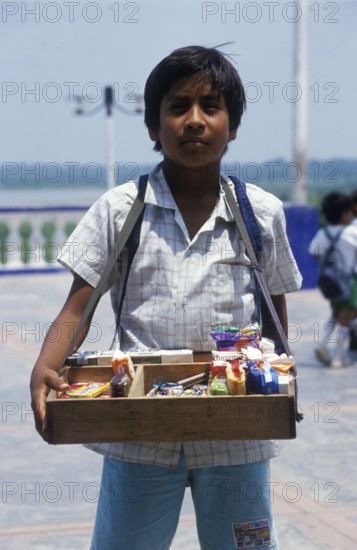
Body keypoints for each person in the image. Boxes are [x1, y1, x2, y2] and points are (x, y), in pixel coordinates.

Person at [30, 45, 302, 550]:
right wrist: (45, 365)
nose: (194, 121)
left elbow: (273, 317)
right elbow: (77, 307)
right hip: (139, 432)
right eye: (178, 107)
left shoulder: (260, 213)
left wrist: (282, 377)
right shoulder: (121, 209)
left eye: (211, 107)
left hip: (235, 435)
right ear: (155, 127)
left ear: (233, 126)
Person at [309, 192, 357, 368]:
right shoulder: (351, 232)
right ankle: (338, 357)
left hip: (330, 282)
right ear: (345, 213)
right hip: (350, 282)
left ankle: (322, 344)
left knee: (336, 314)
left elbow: (314, 251)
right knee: (345, 318)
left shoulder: (324, 233)